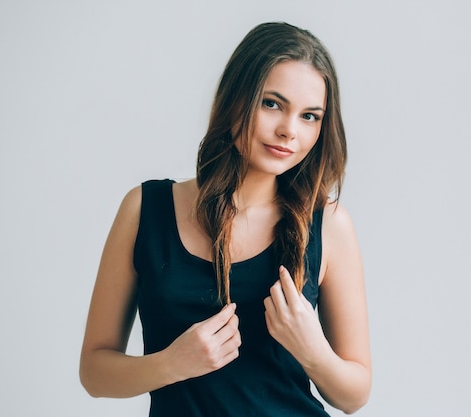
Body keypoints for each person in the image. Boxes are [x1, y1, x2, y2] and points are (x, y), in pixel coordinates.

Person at [79, 21, 371, 416]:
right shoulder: (145, 209)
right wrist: (170, 364)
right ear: (236, 98)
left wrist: (313, 351)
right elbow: (95, 372)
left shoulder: (329, 225)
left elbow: (355, 395)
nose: (288, 131)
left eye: (309, 116)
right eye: (272, 104)